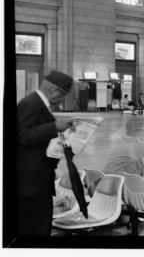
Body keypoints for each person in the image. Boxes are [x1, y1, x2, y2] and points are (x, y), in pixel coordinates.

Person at [17, 71, 77, 237]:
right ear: (53, 90)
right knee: (33, 227)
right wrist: (54, 127)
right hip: (29, 182)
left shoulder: (39, 104)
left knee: (40, 224)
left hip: (38, 179)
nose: (63, 99)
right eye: (63, 94)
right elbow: (21, 135)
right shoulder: (31, 103)